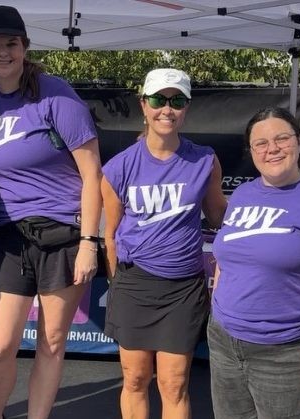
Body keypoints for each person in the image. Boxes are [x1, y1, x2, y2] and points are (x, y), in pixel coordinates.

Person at [0, 6, 103, 419]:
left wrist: (90, 243)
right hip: (9, 237)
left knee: (52, 341)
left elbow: (92, 174)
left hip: (64, 235)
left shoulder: (54, 94)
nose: (2, 52)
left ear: (25, 47)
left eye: (11, 44)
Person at [209, 107, 300, 419]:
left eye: (281, 138)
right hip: (225, 340)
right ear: (251, 151)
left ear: (299, 142)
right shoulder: (242, 194)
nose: (272, 148)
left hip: (285, 351)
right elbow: (226, 256)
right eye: (260, 143)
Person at [101, 68, 227, 418]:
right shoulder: (118, 168)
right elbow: (110, 235)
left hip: (183, 288)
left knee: (173, 383)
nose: (166, 109)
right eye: (158, 99)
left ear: (186, 107)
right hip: (134, 283)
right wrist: (119, 283)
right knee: (136, 378)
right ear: (143, 105)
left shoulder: (205, 160)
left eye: (177, 101)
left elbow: (219, 218)